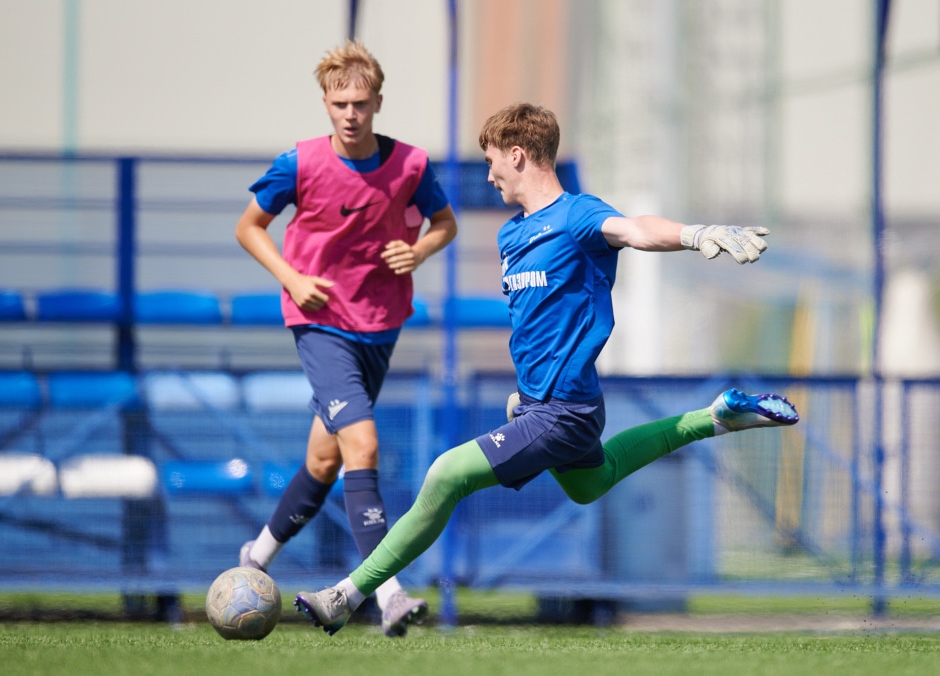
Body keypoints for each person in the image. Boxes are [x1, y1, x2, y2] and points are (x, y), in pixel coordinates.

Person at [292, 102, 800, 636]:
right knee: (592, 482)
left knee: (446, 474)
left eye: (492, 161)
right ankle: (715, 417)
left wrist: (695, 234)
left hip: (561, 412)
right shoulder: (511, 236)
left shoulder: (576, 215)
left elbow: (635, 229)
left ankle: (346, 595)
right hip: (550, 406)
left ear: (517, 155)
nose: (489, 174)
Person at [233, 39, 458, 637]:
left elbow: (445, 224)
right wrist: (292, 278)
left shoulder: (409, 165)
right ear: (325, 104)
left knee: (325, 458)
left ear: (378, 102)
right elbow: (249, 227)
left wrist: (419, 251)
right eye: (339, 104)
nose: (350, 114)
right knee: (362, 445)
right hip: (320, 322)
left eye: (360, 103)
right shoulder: (300, 163)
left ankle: (255, 557)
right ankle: (387, 593)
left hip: (380, 323)